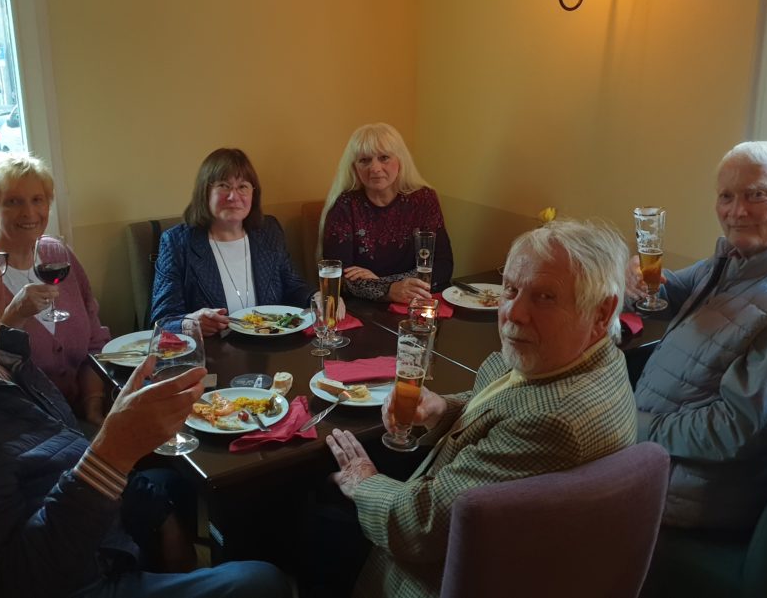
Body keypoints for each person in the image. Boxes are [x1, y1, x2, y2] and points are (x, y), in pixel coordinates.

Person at [0, 206, 291, 598]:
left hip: (71, 524)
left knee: (171, 483)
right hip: (65, 576)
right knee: (261, 582)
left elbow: (47, 442)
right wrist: (112, 453)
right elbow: (16, 580)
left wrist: (117, 438)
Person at [319, 220, 638, 598]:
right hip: (484, 534)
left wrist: (364, 480)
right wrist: (442, 409)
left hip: (434, 576)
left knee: (312, 515)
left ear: (601, 312)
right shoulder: (587, 359)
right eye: (512, 289)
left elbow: (421, 527)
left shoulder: (553, 423)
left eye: (545, 297)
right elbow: (507, 403)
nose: (513, 314)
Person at [632, 141, 767, 531]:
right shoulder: (743, 257)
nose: (737, 212)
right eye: (726, 196)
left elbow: (735, 430)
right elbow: (669, 295)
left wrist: (632, 425)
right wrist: (639, 283)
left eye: (757, 195)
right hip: (660, 455)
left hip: (695, 490)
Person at [0, 152, 111, 425]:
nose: (29, 212)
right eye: (13, 202)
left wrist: (93, 403)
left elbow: (95, 340)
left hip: (84, 409)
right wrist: (14, 318)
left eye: (37, 200)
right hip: (25, 425)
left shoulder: (57, 254)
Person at [150, 148, 315, 335]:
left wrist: (317, 298)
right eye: (224, 186)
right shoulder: (176, 243)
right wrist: (189, 323)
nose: (233, 196)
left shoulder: (268, 231)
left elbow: (292, 284)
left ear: (254, 193)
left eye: (243, 186)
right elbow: (161, 320)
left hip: (269, 351)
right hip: (212, 355)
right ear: (205, 192)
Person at [320, 122, 453, 303]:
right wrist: (390, 290)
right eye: (364, 160)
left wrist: (383, 284)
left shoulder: (424, 199)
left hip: (417, 302)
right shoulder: (344, 205)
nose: (375, 168)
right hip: (366, 311)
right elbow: (340, 277)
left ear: (400, 160)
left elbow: (443, 264)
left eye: (384, 158)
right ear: (354, 167)